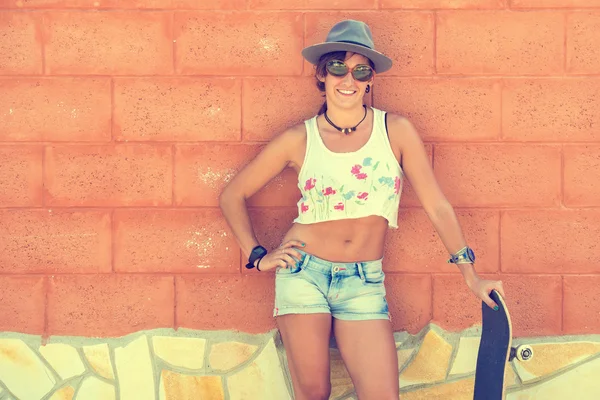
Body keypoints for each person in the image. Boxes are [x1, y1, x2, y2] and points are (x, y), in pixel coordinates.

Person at [219, 19, 505, 400]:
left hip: (364, 283)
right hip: (305, 275)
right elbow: (232, 195)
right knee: (314, 393)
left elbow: (437, 205)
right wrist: (257, 255)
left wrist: (472, 277)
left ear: (370, 79)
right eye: (337, 67)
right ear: (322, 75)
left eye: (360, 70)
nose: (348, 79)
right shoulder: (298, 139)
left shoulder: (396, 131)